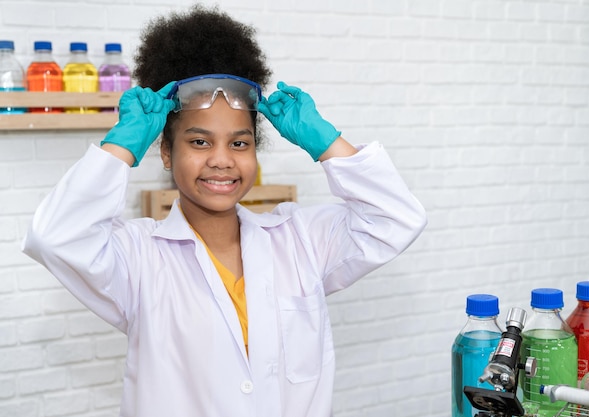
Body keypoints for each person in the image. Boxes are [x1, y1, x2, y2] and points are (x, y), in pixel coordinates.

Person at [22, 5, 427, 417]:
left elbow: (396, 219)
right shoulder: (137, 257)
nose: (222, 160)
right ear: (165, 151)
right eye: (199, 142)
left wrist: (326, 142)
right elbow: (54, 236)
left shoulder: (299, 239)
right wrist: (121, 146)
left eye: (239, 143)